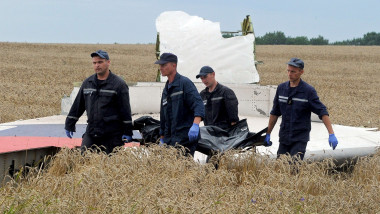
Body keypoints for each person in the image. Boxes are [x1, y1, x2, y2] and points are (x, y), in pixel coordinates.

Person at [264, 57, 338, 160]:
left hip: (299, 137)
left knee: (294, 167)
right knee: (280, 166)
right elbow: (275, 113)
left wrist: (331, 134)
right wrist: (268, 133)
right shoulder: (281, 89)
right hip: (284, 136)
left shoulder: (308, 91)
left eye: (293, 71)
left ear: (301, 72)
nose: (289, 74)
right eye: (288, 71)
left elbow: (322, 112)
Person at [64, 50, 133, 154]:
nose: (97, 65)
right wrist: (69, 124)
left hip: (112, 134)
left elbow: (125, 110)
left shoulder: (118, 84)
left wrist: (128, 131)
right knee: (83, 158)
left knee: (109, 164)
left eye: (100, 62)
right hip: (92, 131)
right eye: (94, 63)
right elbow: (78, 105)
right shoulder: (88, 83)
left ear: (108, 62)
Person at [155, 53, 205, 156]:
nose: (161, 68)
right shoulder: (166, 90)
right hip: (169, 140)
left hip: (184, 139)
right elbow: (163, 116)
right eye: (160, 65)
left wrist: (195, 125)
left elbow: (198, 104)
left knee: (184, 170)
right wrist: (162, 138)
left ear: (174, 65)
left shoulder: (184, 83)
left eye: (164, 65)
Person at [196, 66, 239, 130]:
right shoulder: (203, 94)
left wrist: (232, 134)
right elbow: (200, 114)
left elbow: (233, 118)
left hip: (224, 133)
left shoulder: (226, 92)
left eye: (205, 77)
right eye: (201, 78)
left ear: (213, 74)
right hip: (209, 133)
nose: (204, 80)